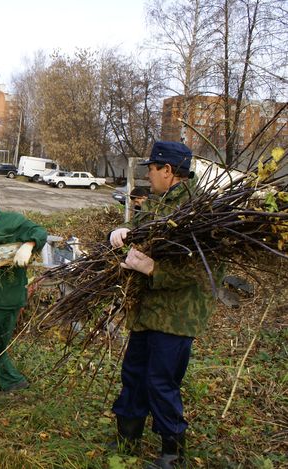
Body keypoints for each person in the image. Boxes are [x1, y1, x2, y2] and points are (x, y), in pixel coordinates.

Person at [108, 142, 222, 468]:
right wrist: (123, 235)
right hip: (147, 311)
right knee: (134, 373)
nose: (148, 174)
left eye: (152, 169)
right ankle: (128, 437)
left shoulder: (201, 209)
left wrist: (154, 269)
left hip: (177, 315)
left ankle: (172, 453)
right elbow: (140, 241)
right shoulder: (158, 205)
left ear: (168, 171)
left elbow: (207, 269)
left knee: (160, 380)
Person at [0, 183, 47, 392]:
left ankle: (13, 381)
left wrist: (28, 245)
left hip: (9, 293)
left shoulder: (13, 221)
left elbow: (39, 231)